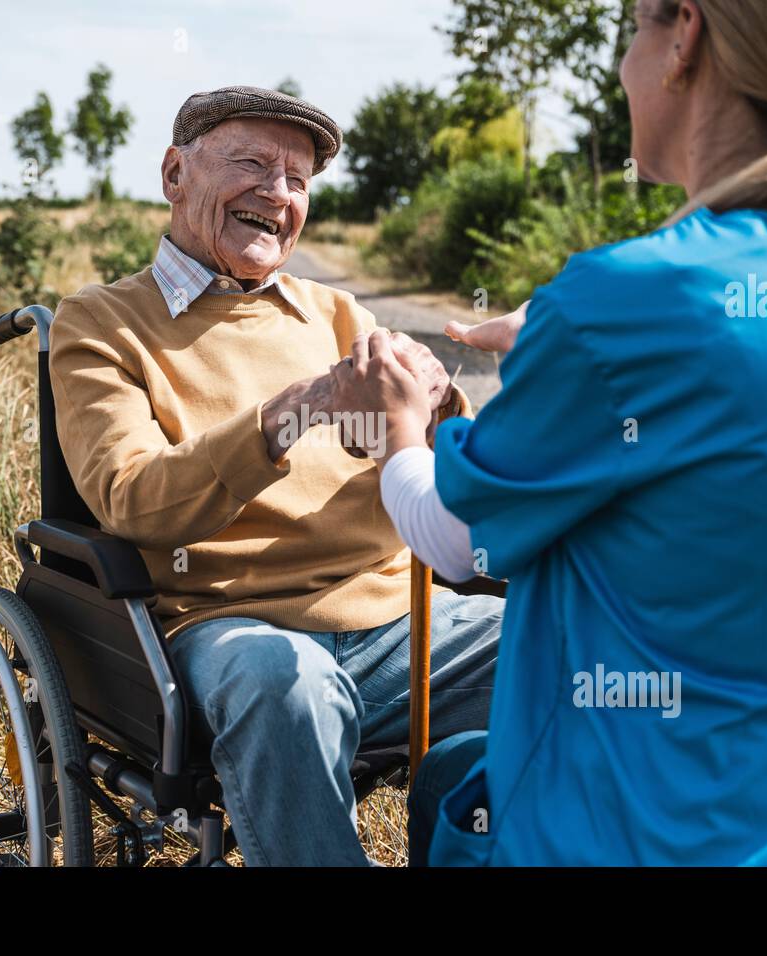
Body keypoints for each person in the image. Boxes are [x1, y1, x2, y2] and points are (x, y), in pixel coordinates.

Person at [330, 0, 767, 865]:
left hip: (653, 838)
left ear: (686, 37)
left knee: (448, 785)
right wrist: (575, 355)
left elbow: (457, 542)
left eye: (636, 26)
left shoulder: (625, 305)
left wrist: (401, 426)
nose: (622, 66)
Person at [48, 86, 502, 866]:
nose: (278, 193)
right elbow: (131, 497)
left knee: (576, 639)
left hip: (397, 620)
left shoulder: (337, 314)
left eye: (297, 181)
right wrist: (291, 409)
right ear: (174, 173)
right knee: (287, 682)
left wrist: (435, 400)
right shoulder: (103, 323)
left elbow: (400, 449)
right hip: (230, 626)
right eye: (253, 164)